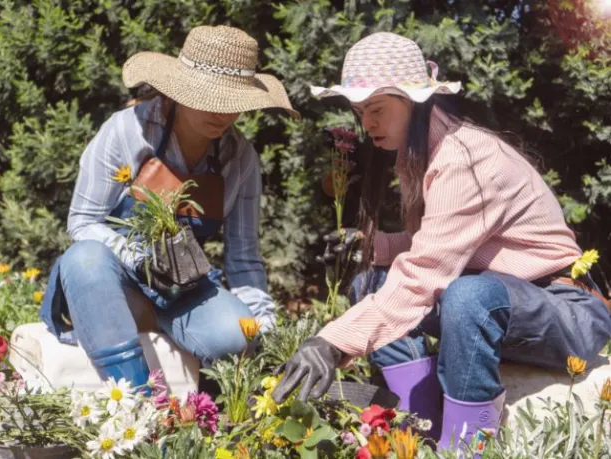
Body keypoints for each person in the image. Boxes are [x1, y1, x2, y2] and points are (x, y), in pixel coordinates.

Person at [272, 32, 611, 451]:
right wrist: (371, 247)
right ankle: (421, 425)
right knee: (373, 284)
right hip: (510, 299)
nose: (367, 124)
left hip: (566, 309)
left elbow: (425, 277)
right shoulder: (424, 151)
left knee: (467, 298)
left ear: (414, 101)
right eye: (360, 111)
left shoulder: (464, 159)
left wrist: (331, 341)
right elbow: (434, 243)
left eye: (376, 109)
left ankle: (464, 446)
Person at [39, 25, 297, 389]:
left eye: (234, 102)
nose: (222, 113)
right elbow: (83, 221)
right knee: (84, 258)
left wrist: (266, 329)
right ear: (180, 90)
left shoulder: (241, 160)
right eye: (209, 97)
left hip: (181, 289)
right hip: (109, 279)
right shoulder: (126, 131)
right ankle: (138, 404)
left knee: (237, 335)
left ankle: (162, 330)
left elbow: (244, 260)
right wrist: (139, 260)